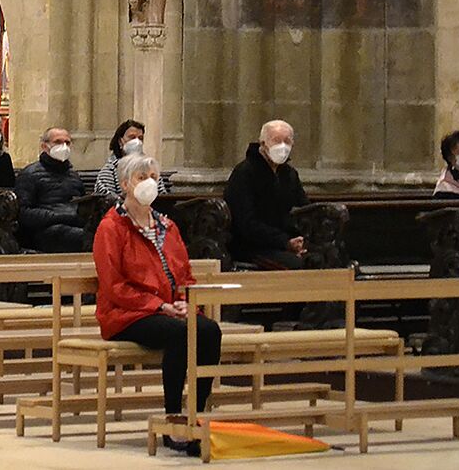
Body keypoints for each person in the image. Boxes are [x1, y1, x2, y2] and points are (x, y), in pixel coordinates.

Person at [93, 153, 220, 457]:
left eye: (153, 177)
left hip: (169, 309)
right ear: (125, 184)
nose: (149, 183)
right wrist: (159, 306)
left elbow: (184, 274)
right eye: (141, 177)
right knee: (178, 334)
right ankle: (173, 419)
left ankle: (195, 415)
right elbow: (114, 286)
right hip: (126, 314)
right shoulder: (111, 228)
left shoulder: (167, 226)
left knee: (209, 330)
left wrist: (186, 303)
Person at [223, 119, 308, 270]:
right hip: (252, 247)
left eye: (287, 141)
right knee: (296, 265)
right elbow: (246, 223)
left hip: (286, 243)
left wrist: (302, 239)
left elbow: (303, 209)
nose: (282, 146)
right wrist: (284, 241)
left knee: (325, 258)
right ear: (263, 144)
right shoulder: (245, 173)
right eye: (276, 141)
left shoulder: (289, 174)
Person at [14, 127, 87, 252]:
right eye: (58, 142)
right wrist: (60, 216)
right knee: (84, 238)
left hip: (72, 225)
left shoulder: (74, 176)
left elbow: (83, 205)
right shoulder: (30, 174)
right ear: (44, 146)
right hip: (43, 231)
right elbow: (23, 212)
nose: (64, 146)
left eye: (67, 143)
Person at [94, 119, 174, 198]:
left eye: (140, 138)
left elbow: (162, 197)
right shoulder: (109, 171)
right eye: (132, 137)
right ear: (120, 141)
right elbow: (106, 199)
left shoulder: (150, 168)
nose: (137, 141)